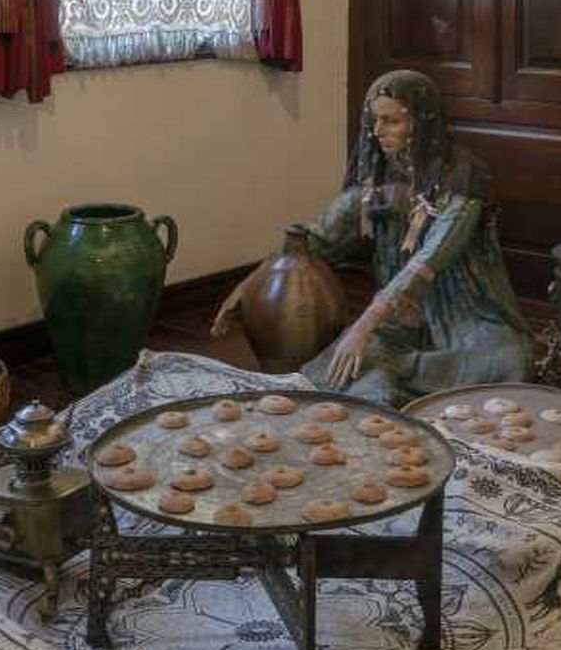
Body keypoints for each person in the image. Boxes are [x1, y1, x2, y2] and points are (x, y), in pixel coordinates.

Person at [213, 69, 533, 404]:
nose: (378, 131)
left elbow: (431, 258)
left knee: (512, 358)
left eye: (392, 121)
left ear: (423, 121)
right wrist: (250, 285)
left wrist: (362, 327)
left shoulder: (463, 176)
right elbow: (315, 239)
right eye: (374, 120)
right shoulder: (378, 176)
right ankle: (407, 377)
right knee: (349, 362)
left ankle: (397, 374)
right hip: (399, 315)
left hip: (461, 312)